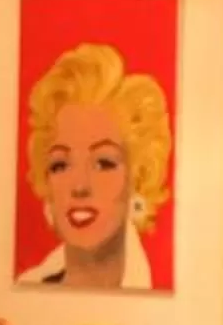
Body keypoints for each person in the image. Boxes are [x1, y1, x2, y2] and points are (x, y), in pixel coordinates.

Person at [17, 43, 171, 289]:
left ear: (138, 177)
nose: (79, 186)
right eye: (60, 165)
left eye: (103, 163)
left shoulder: (165, 298)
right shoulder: (26, 288)